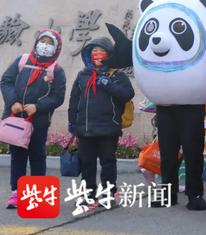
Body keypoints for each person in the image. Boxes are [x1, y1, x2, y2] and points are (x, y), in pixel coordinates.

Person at [1, 30, 66, 209]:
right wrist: (12, 101)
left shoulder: (56, 70)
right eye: (42, 41)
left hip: (39, 121)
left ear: (56, 48)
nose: (44, 45)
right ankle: (16, 193)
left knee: (37, 156)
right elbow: (6, 81)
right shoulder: (22, 61)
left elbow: (58, 97)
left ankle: (36, 196)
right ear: (36, 42)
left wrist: (38, 106)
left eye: (49, 43)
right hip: (16, 118)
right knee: (17, 156)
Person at [68, 37, 135, 209]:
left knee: (108, 162)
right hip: (85, 129)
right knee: (87, 163)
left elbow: (128, 94)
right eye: (94, 51)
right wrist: (73, 124)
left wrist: (108, 84)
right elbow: (74, 101)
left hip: (109, 128)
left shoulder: (117, 75)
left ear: (109, 55)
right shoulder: (83, 75)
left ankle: (108, 195)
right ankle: (89, 194)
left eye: (101, 51)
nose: (97, 55)